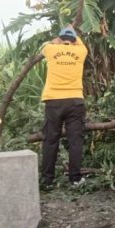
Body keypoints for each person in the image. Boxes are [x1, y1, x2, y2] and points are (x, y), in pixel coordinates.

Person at [39, 26, 88, 189]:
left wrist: (57, 41)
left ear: (60, 39)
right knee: (75, 141)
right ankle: (75, 179)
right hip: (75, 100)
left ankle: (47, 180)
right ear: (74, 41)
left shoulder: (50, 49)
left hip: (53, 100)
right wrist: (73, 33)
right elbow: (80, 44)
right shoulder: (81, 51)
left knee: (50, 140)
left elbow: (45, 47)